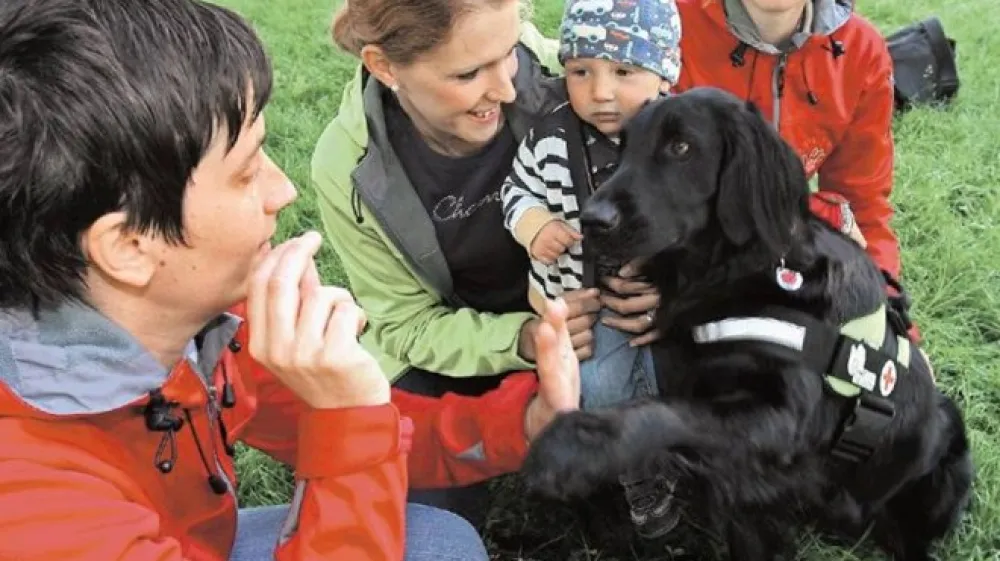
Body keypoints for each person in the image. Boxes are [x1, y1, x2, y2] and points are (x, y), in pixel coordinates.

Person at [0, 1, 582, 560]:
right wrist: (344, 415)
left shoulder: (210, 326)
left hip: (194, 535)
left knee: (440, 544)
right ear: (128, 246)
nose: (284, 192)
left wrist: (521, 422)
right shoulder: (37, 508)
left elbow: (373, 427)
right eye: (248, 170)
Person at [310, 0, 667, 523]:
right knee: (427, 518)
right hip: (468, 347)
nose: (504, 87)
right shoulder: (349, 168)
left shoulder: (569, 73)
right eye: (469, 72)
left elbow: (691, 170)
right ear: (384, 66)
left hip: (605, 317)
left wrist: (675, 279)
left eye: (508, 53)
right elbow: (406, 326)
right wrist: (526, 338)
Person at [499, 0, 683, 539]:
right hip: (587, 302)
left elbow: (708, 212)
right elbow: (516, 190)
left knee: (675, 376)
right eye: (581, 72)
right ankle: (636, 469)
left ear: (665, 72)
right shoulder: (551, 136)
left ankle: (672, 447)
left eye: (624, 72)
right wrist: (533, 224)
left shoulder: (678, 139)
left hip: (667, 300)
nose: (600, 92)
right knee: (599, 386)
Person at [672, 0, 925, 344]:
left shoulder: (860, 51)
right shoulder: (667, 22)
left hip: (772, 262)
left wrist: (892, 317)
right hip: (679, 257)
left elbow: (864, 207)